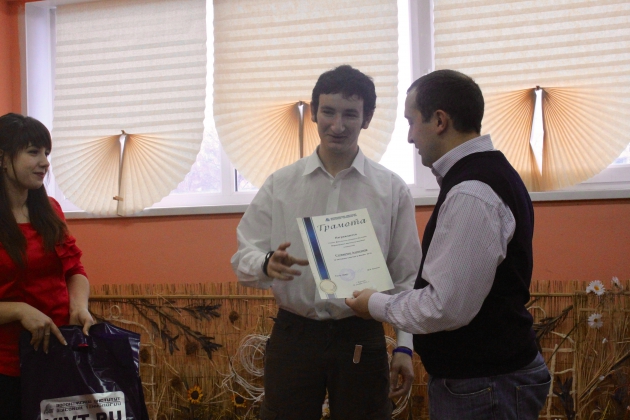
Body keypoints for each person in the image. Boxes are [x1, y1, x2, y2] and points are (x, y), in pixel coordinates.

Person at [346, 70, 551, 419]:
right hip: (487, 380)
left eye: (412, 122)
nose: (410, 136)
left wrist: (375, 303)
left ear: (440, 121)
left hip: (485, 384)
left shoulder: (472, 191)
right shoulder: (484, 175)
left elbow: (445, 307)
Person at [231, 65, 421, 420]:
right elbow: (243, 258)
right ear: (314, 114)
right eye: (329, 112)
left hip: (361, 333)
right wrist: (266, 263)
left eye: (350, 114)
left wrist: (405, 348)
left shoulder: (391, 189)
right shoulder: (281, 184)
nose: (338, 125)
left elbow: (405, 278)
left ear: (367, 119)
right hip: (294, 334)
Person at [0, 113, 94, 419]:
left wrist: (79, 306)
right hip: (7, 367)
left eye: (46, 153)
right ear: (3, 158)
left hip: (59, 354)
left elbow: (75, 271)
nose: (44, 163)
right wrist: (18, 310)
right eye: (33, 152)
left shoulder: (50, 209)